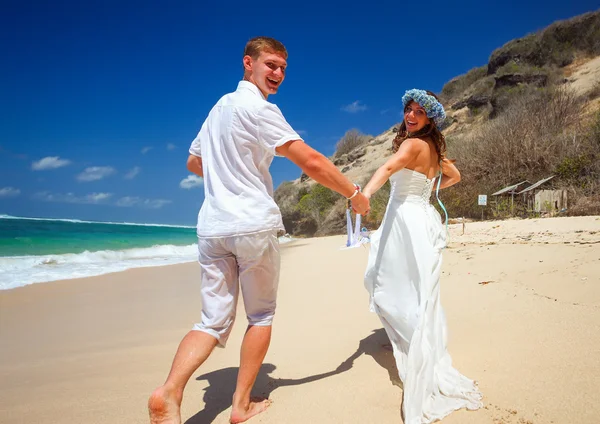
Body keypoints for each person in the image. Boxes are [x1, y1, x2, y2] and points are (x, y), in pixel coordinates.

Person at [148, 36, 369, 424]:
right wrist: (354, 192)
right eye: (271, 64)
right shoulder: (260, 108)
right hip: (251, 224)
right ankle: (240, 405)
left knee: (211, 321)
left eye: (283, 68)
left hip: (213, 227)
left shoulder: (218, 108)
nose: (278, 74)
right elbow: (312, 161)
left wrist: (228, 174)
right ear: (247, 63)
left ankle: (169, 391)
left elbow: (193, 162)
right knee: (261, 315)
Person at [362, 89, 482, 423]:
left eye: (419, 112)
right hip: (422, 217)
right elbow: (454, 176)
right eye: (408, 110)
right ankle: (412, 337)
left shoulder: (412, 144)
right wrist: (426, 192)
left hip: (404, 219)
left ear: (430, 118)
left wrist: (365, 195)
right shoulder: (432, 149)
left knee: (387, 280)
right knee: (417, 286)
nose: (411, 116)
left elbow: (387, 168)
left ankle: (411, 341)